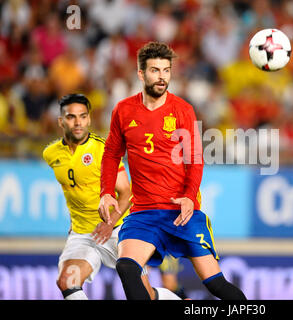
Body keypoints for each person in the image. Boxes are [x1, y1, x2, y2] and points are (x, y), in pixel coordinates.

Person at [98, 41, 246, 300]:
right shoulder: (123, 110)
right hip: (144, 212)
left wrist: (189, 195)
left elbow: (195, 158)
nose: (162, 77)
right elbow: (111, 153)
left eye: (166, 70)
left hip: (181, 212)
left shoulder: (182, 110)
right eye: (155, 70)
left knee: (216, 285)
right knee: (126, 266)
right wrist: (106, 191)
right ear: (141, 74)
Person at [43, 93, 181, 300]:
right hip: (83, 234)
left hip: (118, 231)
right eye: (71, 117)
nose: (78, 122)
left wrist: (109, 224)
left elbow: (127, 192)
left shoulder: (103, 150)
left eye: (83, 116)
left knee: (146, 295)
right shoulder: (51, 154)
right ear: (61, 121)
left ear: (89, 119)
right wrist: (75, 221)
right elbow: (75, 191)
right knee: (67, 282)